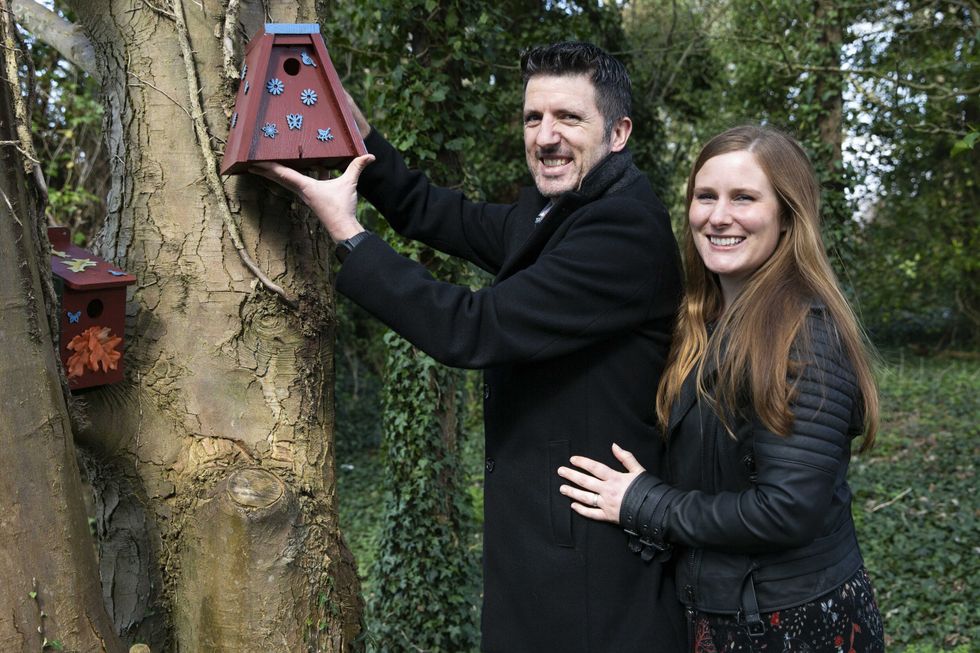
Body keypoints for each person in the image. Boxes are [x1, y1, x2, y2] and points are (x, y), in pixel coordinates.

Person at [253, 42, 685, 652]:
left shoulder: (624, 230)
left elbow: (472, 329)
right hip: (544, 551)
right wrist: (355, 132)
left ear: (618, 133)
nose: (546, 137)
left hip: (590, 570)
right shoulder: (560, 212)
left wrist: (349, 234)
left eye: (568, 118)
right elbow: (434, 212)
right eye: (533, 118)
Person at [557, 125, 886, 652]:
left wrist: (646, 504)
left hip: (793, 626)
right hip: (722, 614)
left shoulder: (805, 335)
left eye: (744, 198)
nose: (718, 216)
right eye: (706, 196)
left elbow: (787, 510)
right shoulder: (702, 321)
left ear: (787, 216)